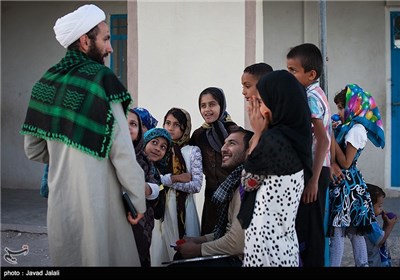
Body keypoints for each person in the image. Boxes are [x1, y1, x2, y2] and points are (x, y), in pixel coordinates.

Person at [20, 4, 146, 266]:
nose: (110, 48)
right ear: (85, 40)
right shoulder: (101, 80)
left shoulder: (46, 83)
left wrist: (65, 153)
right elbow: (122, 151)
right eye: (106, 39)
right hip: (102, 207)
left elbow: (33, 150)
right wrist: (137, 201)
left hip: (61, 206)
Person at [237, 70, 313, 267]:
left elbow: (248, 182)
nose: (259, 109)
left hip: (266, 246)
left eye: (262, 102)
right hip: (284, 242)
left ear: (277, 102)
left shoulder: (272, 141)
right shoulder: (297, 135)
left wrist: (258, 133)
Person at [175, 127, 254, 267]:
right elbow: (226, 231)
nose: (223, 148)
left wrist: (198, 249)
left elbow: (236, 243)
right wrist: (198, 240)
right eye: (224, 143)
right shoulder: (235, 182)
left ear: (249, 151)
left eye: (232, 143)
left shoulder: (248, 185)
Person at [328, 84, 385, 267]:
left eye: (342, 107)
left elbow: (346, 162)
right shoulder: (348, 127)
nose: (340, 111)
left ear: (354, 107)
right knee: (353, 231)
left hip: (348, 188)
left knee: (342, 231)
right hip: (345, 185)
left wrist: (330, 134)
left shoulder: (356, 131)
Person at [286, 43, 332, 266]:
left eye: (294, 71)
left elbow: (323, 139)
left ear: (311, 74)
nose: (290, 75)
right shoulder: (313, 93)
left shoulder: (311, 97)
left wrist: (313, 180)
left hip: (316, 170)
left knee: (312, 230)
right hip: (317, 169)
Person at [150, 108, 203, 266]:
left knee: (184, 252)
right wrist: (174, 178)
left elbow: (195, 185)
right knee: (160, 252)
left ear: (185, 128)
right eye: (167, 123)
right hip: (161, 208)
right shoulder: (160, 148)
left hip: (184, 209)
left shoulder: (192, 151)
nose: (171, 128)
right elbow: (151, 178)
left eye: (176, 124)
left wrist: (165, 181)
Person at [190, 87, 239, 235]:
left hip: (233, 197)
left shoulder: (235, 132)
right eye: (203, 105)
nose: (207, 110)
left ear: (222, 105)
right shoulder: (198, 135)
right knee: (209, 241)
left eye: (212, 104)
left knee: (231, 240)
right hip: (211, 200)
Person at [127, 108, 161, 267]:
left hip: (140, 222)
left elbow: (155, 187)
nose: (128, 127)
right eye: (123, 122)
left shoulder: (144, 159)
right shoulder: (104, 157)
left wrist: (145, 188)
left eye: (133, 124)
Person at [364, 183, 398, 267]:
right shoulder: (369, 223)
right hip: (376, 263)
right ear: (369, 206)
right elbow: (380, 241)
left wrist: (385, 225)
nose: (382, 209)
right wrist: (390, 226)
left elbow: (380, 236)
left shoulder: (370, 221)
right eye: (379, 206)